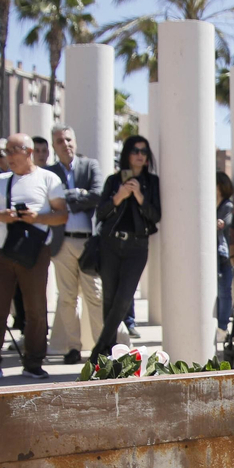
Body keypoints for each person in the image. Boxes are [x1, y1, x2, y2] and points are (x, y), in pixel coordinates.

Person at [0, 133, 68, 382]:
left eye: (13, 151)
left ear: (29, 152)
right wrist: (3, 215)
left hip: (35, 251)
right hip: (0, 251)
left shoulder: (48, 178)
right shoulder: (0, 181)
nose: (7, 156)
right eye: (4, 152)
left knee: (36, 309)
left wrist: (37, 218)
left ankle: (34, 363)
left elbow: (62, 215)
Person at [91, 134, 161, 362]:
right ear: (127, 155)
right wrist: (118, 197)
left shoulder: (152, 183)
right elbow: (100, 213)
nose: (140, 156)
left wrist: (140, 197)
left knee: (124, 298)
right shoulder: (113, 181)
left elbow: (156, 216)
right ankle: (110, 351)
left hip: (137, 245)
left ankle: (99, 351)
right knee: (109, 298)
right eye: (135, 151)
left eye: (144, 151)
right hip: (110, 243)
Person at [45, 124, 104, 366]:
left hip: (88, 242)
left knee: (95, 295)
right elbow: (48, 202)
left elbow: (98, 194)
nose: (65, 144)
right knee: (67, 297)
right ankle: (72, 347)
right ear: (54, 146)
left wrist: (69, 197)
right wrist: (80, 195)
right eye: (60, 141)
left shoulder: (90, 166)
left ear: (75, 142)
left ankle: (102, 346)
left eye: (69, 139)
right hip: (61, 243)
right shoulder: (48, 173)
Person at [215, 170, 234, 331]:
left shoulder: (227, 205)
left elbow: (224, 224)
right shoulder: (207, 203)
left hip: (224, 254)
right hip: (212, 253)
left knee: (224, 290)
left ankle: (223, 326)